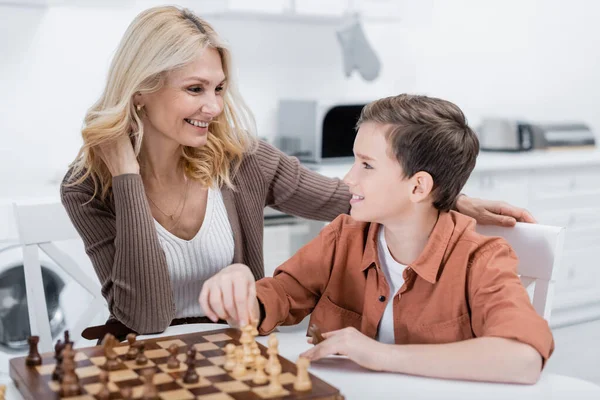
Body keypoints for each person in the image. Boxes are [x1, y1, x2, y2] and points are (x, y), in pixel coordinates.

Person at [61, 5, 535, 337]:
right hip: (145, 362)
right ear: (140, 90)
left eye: (220, 88)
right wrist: (125, 175)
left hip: (237, 348)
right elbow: (145, 319)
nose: (213, 107)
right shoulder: (87, 189)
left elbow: (347, 197)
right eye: (195, 89)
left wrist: (445, 197)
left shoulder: (242, 160)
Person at [200, 94, 554, 384]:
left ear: (418, 187)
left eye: (366, 166)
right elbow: (279, 296)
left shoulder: (483, 258)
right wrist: (241, 289)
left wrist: (380, 354)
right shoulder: (344, 236)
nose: (349, 179)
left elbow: (523, 358)